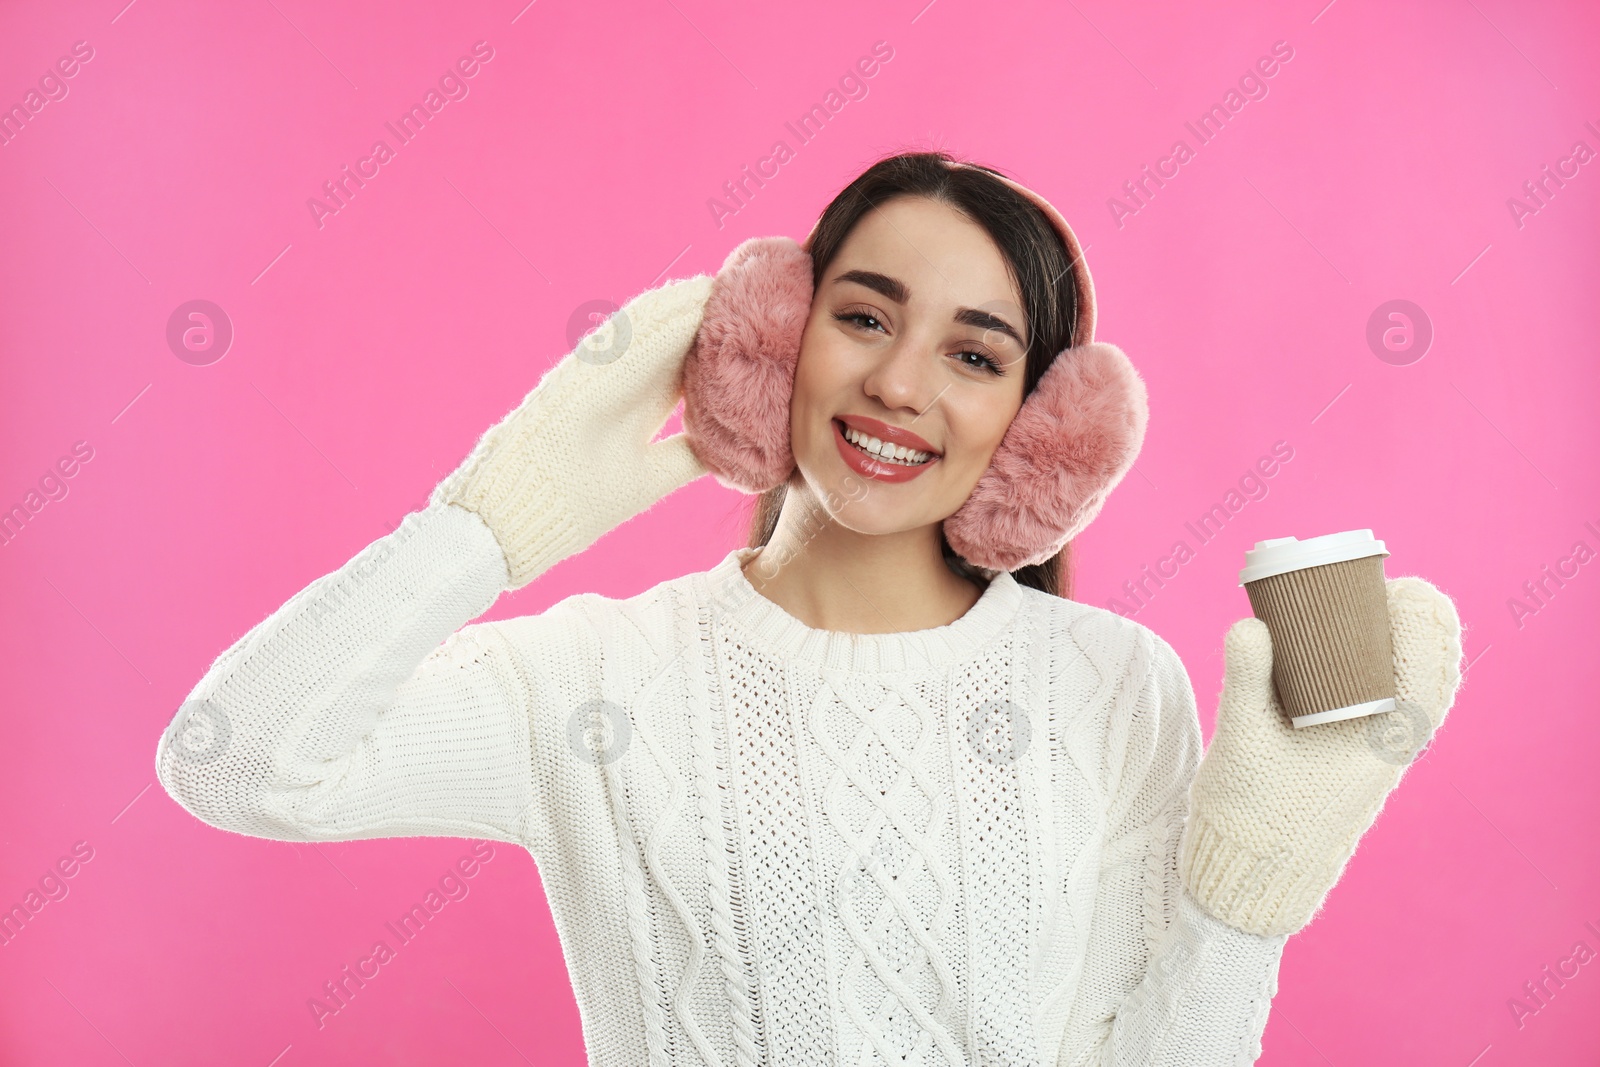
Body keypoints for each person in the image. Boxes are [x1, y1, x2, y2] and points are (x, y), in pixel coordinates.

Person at [156, 150, 1464, 1065]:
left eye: (972, 355)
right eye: (862, 316)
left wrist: (1249, 896)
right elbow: (240, 763)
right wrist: (488, 527)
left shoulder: (1109, 683)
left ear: (1041, 429)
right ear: (772, 342)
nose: (900, 385)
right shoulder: (601, 677)